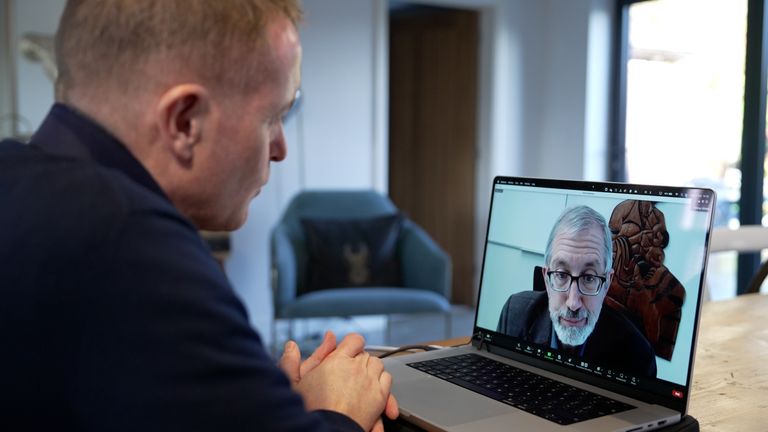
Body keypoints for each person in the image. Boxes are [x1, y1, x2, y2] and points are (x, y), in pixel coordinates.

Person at [0, 1, 397, 431]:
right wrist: (336, 413)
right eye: (273, 117)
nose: (281, 148)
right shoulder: (135, 246)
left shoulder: (14, 174)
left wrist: (253, 400)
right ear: (185, 121)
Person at [497, 206, 657, 378]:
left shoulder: (638, 356)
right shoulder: (514, 314)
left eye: (589, 278)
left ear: (606, 284)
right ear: (547, 279)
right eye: (561, 275)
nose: (573, 303)